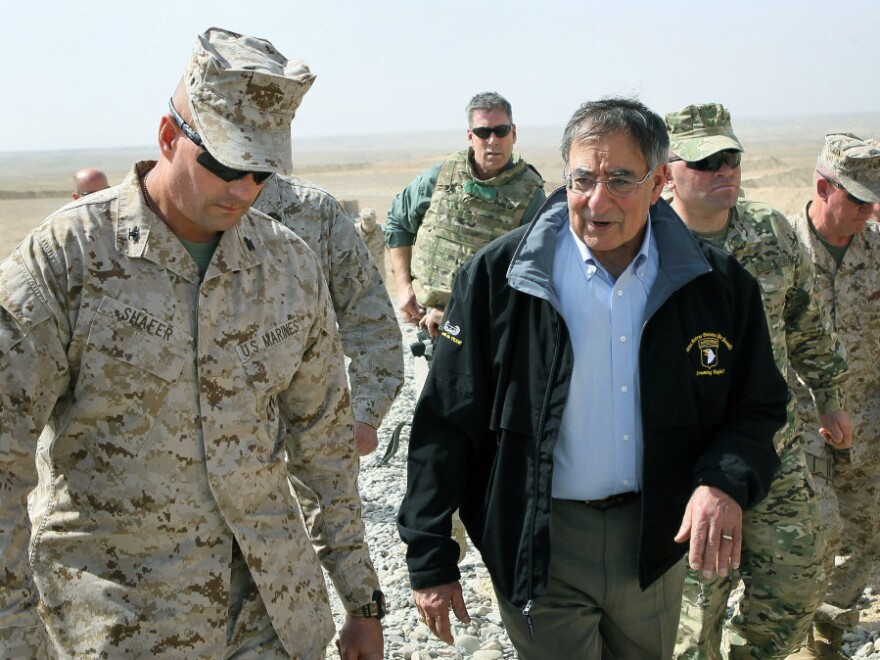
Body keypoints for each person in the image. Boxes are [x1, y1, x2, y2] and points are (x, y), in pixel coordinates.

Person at [0, 28, 383, 658]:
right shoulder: (69, 259)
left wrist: (362, 602)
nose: (242, 189)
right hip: (124, 621)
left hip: (275, 617)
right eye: (225, 166)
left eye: (260, 172)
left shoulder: (288, 267)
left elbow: (324, 450)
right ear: (169, 137)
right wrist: (16, 636)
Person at [397, 97, 787, 659]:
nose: (597, 201)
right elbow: (445, 422)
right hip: (539, 542)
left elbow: (759, 404)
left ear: (658, 185)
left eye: (621, 180)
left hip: (653, 541)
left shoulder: (715, 285)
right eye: (583, 179)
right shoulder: (498, 279)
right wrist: (430, 557)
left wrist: (723, 481)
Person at [664, 103, 851, 660]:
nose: (724, 170)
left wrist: (829, 397)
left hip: (771, 441)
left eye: (731, 157)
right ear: (666, 171)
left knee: (797, 583)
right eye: (705, 161)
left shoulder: (769, 232)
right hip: (688, 458)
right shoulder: (646, 243)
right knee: (695, 612)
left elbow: (804, 320)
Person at [788, 133, 880, 658]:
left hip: (867, 418)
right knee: (813, 531)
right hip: (799, 421)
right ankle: (796, 632)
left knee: (863, 531)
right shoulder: (784, 250)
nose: (869, 212)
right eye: (859, 200)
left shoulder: (876, 247)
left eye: (874, 201)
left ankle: (828, 632)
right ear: (824, 186)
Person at [255, 178, 403, 455]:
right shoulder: (173, 212)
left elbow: (369, 317)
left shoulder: (314, 211)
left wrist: (366, 412)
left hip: (309, 442)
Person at [384, 91, 545, 336]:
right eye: (483, 132)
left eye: (501, 131)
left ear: (513, 133)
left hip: (487, 331)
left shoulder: (530, 196)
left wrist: (456, 315)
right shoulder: (440, 177)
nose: (492, 140)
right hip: (428, 323)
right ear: (470, 136)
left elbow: (531, 277)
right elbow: (398, 222)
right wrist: (404, 286)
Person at [353, 207, 387, 281]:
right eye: (367, 225)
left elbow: (392, 249)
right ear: (361, 220)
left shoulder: (382, 230)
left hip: (378, 273)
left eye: (371, 225)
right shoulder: (353, 231)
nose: (370, 228)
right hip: (359, 273)